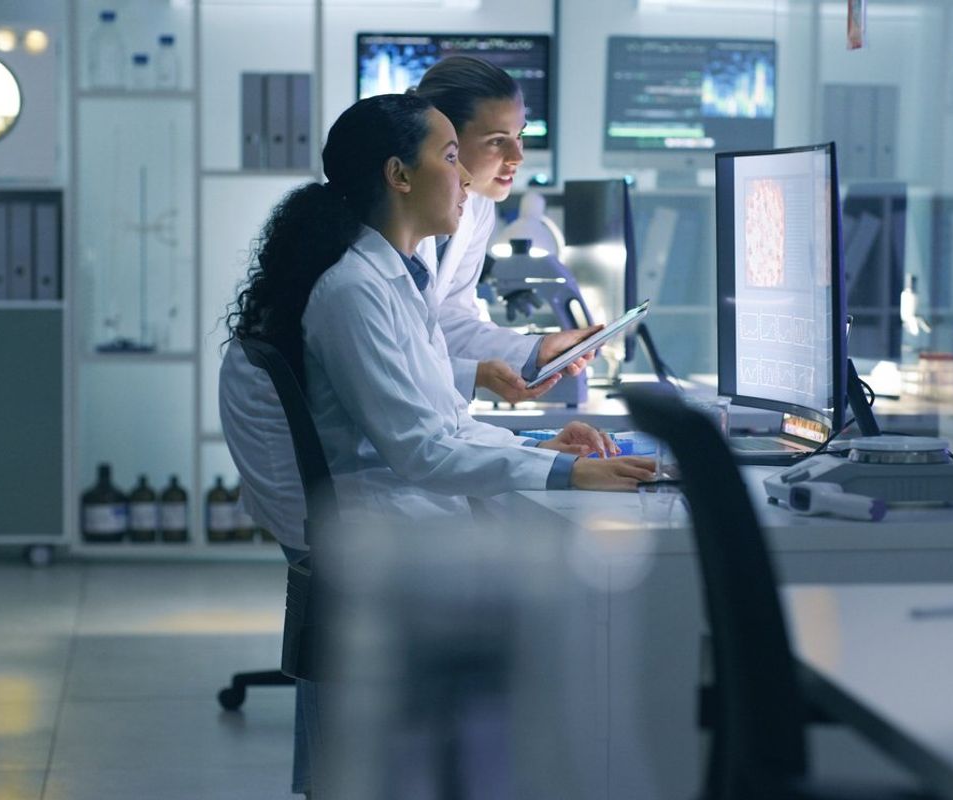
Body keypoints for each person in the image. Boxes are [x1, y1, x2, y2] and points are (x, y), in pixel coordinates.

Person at [220, 93, 653, 798]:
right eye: (452, 157)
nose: (467, 179)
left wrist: (551, 447)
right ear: (399, 175)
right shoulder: (354, 291)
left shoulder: (392, 278)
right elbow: (423, 449)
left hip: (395, 513)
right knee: (591, 598)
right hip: (388, 528)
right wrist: (566, 475)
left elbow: (440, 422)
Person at [411, 55, 600, 404]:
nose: (517, 156)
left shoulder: (478, 205)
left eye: (519, 136)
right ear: (443, 139)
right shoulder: (385, 227)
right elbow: (395, 362)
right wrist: (476, 375)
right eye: (498, 141)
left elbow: (449, 321)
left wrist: (537, 350)